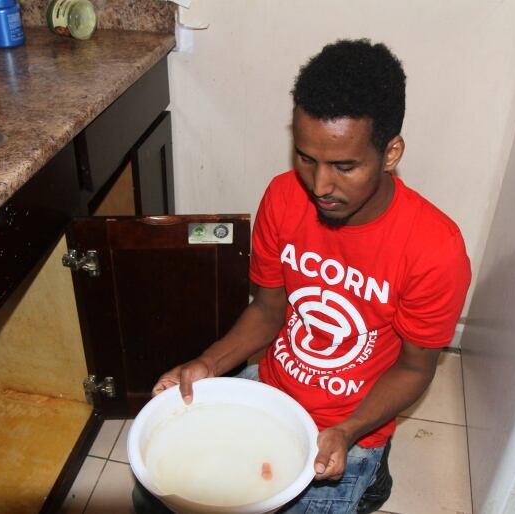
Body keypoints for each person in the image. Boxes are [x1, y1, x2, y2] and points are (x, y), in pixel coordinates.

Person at [135, 39, 472, 514]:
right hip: (273, 387)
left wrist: (350, 431)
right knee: (158, 497)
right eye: (307, 158)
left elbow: (415, 367)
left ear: (391, 152)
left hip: (350, 424)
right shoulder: (282, 197)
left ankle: (372, 469)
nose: (320, 187)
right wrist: (210, 364)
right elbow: (269, 309)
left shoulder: (435, 250)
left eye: (345, 166)